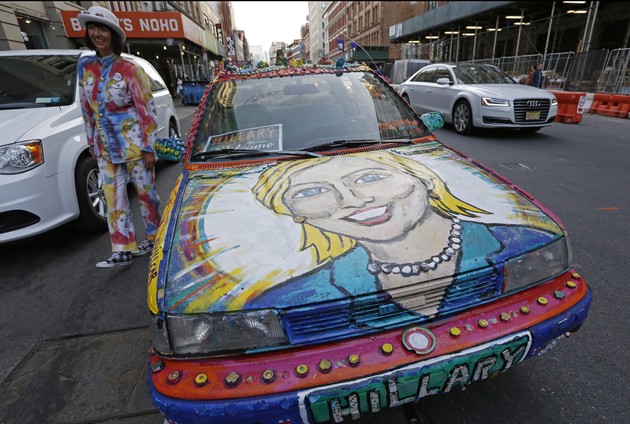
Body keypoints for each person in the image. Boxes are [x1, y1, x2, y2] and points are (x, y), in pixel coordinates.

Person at [244, 150, 559, 311]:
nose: (353, 200)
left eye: (370, 177)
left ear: (426, 179)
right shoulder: (291, 296)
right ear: (296, 215)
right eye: (311, 192)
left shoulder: (527, 243)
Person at [77, 6, 161, 268]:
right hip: (105, 146)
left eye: (102, 29)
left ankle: (155, 238)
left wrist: (149, 147)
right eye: (92, 28)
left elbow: (147, 110)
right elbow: (86, 107)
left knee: (146, 195)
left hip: (135, 145)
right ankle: (123, 248)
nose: (97, 33)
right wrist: (91, 141)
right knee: (113, 196)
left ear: (113, 34)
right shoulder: (84, 66)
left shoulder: (130, 68)